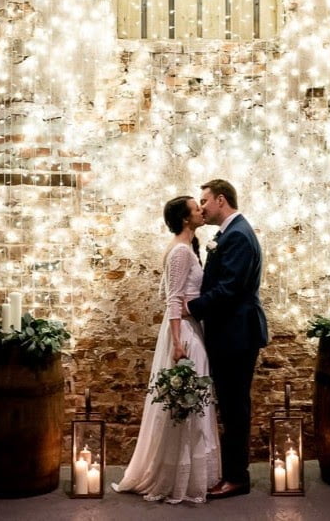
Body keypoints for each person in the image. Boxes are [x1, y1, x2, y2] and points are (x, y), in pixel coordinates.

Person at [112, 196, 221, 504]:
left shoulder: (187, 249)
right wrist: (177, 343)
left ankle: (188, 474)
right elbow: (172, 298)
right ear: (186, 219)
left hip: (190, 327)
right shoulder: (180, 252)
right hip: (182, 333)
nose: (202, 211)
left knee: (194, 400)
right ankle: (175, 478)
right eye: (196, 208)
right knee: (185, 400)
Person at [185, 179, 268, 499]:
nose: (202, 207)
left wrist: (192, 307)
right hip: (229, 332)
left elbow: (230, 288)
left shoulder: (238, 236)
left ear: (221, 200)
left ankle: (237, 478)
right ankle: (232, 472)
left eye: (204, 201)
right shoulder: (229, 234)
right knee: (231, 405)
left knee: (235, 407)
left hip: (237, 334)